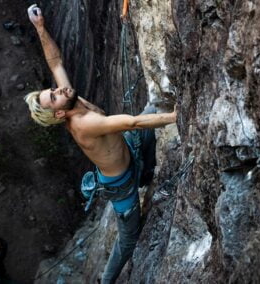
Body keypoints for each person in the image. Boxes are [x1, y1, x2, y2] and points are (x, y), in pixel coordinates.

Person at [24, 4, 177, 283]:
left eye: (53, 89)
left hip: (126, 151)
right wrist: (177, 117)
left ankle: (146, 173)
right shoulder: (84, 124)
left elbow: (55, 62)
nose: (59, 89)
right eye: (55, 95)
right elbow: (131, 123)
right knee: (128, 240)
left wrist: (40, 28)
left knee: (151, 117)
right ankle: (106, 281)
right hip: (120, 184)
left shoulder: (71, 98)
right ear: (59, 113)